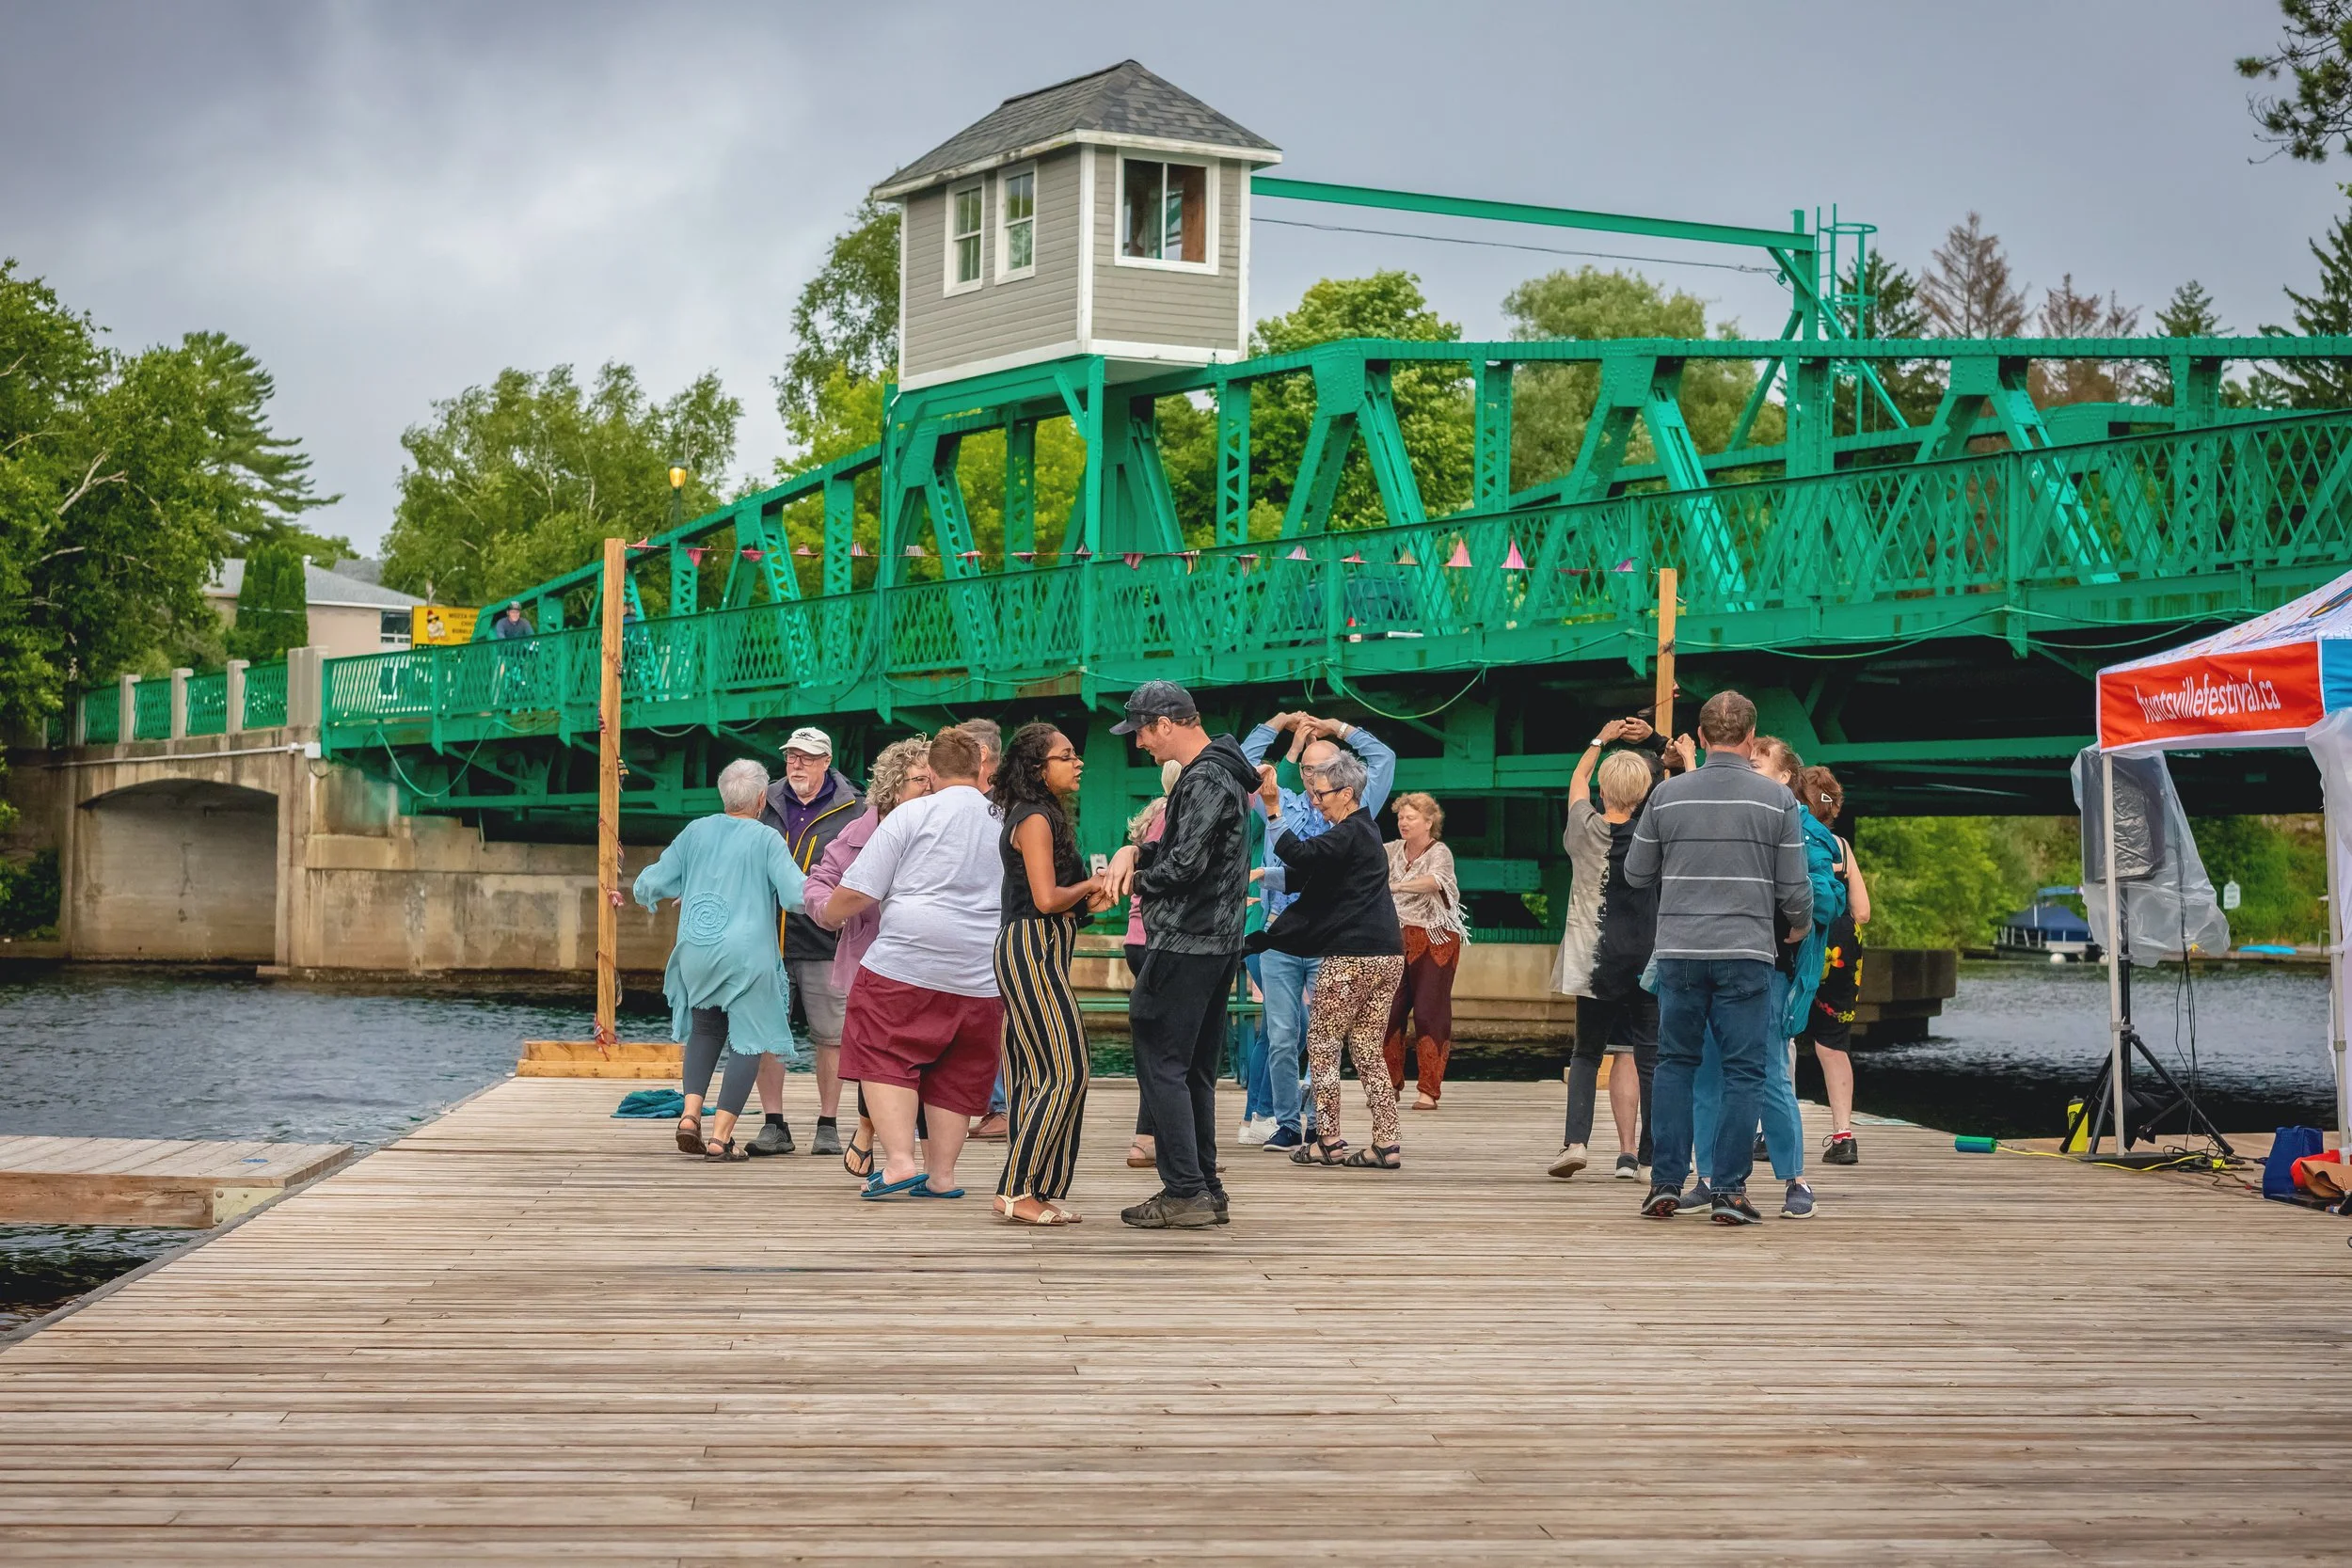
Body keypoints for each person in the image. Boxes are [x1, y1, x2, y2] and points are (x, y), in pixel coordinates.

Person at [1624, 689, 1811, 1226]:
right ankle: (1729, 1191)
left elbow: (1636, 873)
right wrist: (1798, 925)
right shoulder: (1777, 801)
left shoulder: (1667, 796)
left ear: (1702, 738)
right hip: (1746, 952)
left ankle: (1665, 1182)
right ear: (1750, 738)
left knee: (1675, 1065)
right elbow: (1795, 890)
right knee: (1744, 1071)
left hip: (1680, 951)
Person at [817, 725, 1003, 1201]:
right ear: (981, 767)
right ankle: (942, 1176)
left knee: (883, 1052)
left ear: (934, 773)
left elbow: (859, 889)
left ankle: (899, 1162)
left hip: (906, 959)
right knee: (958, 1067)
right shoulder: (1006, 820)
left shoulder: (911, 814)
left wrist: (829, 914)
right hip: (981, 970)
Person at [1103, 681, 1259, 1228]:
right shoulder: (1221, 772)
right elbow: (1187, 849)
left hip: (1187, 941)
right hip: (1216, 943)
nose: (1140, 743)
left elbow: (1184, 866)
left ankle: (1185, 1190)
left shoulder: (1205, 777)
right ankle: (1205, 1187)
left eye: (1142, 731)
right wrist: (1137, 849)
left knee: (1161, 1060)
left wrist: (1128, 879)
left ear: (1166, 724)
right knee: (1194, 1070)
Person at [630, 758, 809, 1162]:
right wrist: (836, 898)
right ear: (761, 799)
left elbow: (654, 881)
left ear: (723, 795)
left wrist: (651, 890)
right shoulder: (766, 839)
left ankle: (690, 1116)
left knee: (706, 1029)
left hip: (697, 947)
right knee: (749, 1041)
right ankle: (720, 1138)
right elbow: (795, 894)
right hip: (746, 955)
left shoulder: (696, 830)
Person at [1241, 710, 1396, 1152]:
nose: (1315, 787)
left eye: (1324, 779)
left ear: (1346, 789)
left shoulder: (1349, 824)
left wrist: (1338, 729)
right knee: (1351, 1046)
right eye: (1308, 772)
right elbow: (1304, 875)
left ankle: (1326, 1136)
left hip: (1340, 948)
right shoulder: (1352, 825)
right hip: (1348, 946)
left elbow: (1301, 858)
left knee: (1323, 1043)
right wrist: (1276, 726)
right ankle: (1379, 1142)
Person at [990, 723, 1107, 1225]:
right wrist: (1091, 884)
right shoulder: (1035, 818)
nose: (1078, 762)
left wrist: (1088, 900)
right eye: (1067, 755)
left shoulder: (1041, 814)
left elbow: (1057, 901)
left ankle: (1034, 1187)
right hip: (1031, 948)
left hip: (1038, 946)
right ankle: (1015, 1189)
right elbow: (1044, 899)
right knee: (1067, 1069)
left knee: (1033, 1074)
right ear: (1039, 768)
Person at [803, 736, 931, 1179]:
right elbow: (821, 880)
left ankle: (897, 1145)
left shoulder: (942, 825)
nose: (929, 788)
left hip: (929, 958)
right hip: (870, 957)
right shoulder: (860, 831)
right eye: (919, 780)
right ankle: (870, 1130)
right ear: (894, 787)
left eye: (931, 779)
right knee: (877, 1052)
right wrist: (830, 911)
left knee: (920, 1054)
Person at [752, 725, 863, 1158]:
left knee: (831, 1037)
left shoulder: (855, 807)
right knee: (766, 1034)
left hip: (825, 941)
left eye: (807, 757)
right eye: (791, 756)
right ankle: (774, 1123)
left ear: (826, 761)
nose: (797, 764)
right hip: (767, 939)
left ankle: (828, 1124)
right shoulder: (763, 799)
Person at [1552, 749, 1661, 1181]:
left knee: (1586, 1053)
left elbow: (1577, 779)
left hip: (1593, 959)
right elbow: (1685, 803)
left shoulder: (1583, 828)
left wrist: (1601, 740)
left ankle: (1576, 1143)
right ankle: (1649, 1160)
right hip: (1645, 960)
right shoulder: (1653, 835)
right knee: (1651, 1059)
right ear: (1645, 792)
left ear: (1603, 789)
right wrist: (1689, 761)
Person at [1795, 765, 1870, 1166]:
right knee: (1833, 1042)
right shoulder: (1841, 847)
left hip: (1805, 937)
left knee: (1783, 1033)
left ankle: (1769, 1132)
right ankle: (1843, 1136)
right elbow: (1862, 911)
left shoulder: (1793, 839)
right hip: (1844, 946)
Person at [1381, 792, 1467, 1112]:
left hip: (1436, 938)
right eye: (1400, 817)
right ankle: (1388, 1085)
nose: (1403, 823)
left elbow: (1435, 882)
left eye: (1411, 817)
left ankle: (1428, 1090)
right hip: (1395, 938)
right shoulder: (1391, 849)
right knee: (1389, 1012)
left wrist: (1397, 886)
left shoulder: (1439, 852)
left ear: (1429, 822)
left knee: (1430, 1012)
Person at [1120, 762, 1181, 1170]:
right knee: (1170, 1046)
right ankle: (1148, 1140)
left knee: (1161, 1039)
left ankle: (1153, 1138)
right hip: (1158, 939)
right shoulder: (1174, 816)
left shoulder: (1155, 813)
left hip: (1138, 937)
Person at [957, 719, 1013, 1143]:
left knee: (991, 1017)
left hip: (989, 925)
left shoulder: (994, 808)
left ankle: (1001, 1106)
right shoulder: (1005, 803)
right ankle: (994, 1104)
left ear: (979, 756)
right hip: (988, 923)